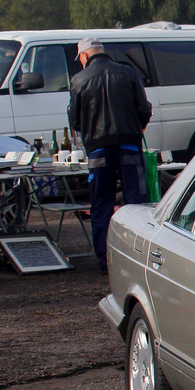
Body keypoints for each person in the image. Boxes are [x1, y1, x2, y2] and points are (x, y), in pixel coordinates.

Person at [67, 36, 152, 274]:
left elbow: (75, 121)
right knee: (137, 203)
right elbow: (143, 109)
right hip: (129, 145)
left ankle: (105, 261)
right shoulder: (128, 73)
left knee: (101, 204)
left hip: (98, 149)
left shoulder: (79, 79)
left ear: (84, 56)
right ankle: (139, 257)